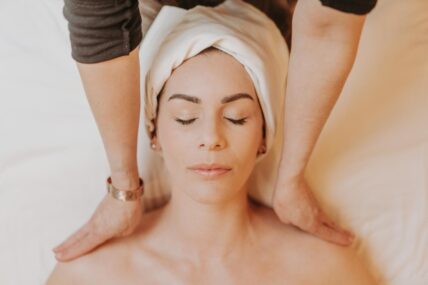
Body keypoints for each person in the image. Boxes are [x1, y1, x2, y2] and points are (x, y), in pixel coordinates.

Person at [47, 4, 376, 282]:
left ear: (265, 134)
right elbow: (99, 24)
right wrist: (123, 185)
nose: (211, 139)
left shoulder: (327, 269)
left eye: (236, 117)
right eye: (185, 117)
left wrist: (290, 178)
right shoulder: (87, 275)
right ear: (153, 133)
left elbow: (330, 24)